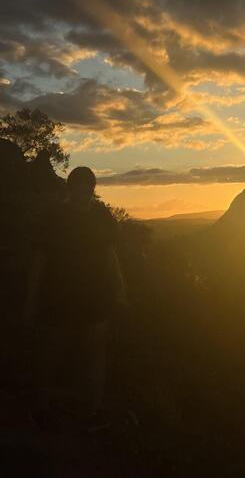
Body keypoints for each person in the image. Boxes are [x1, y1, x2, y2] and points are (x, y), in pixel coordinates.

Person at [24, 166, 127, 424]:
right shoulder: (56, 217)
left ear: (92, 189)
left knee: (93, 355)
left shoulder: (100, 216)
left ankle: (91, 410)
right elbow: (40, 258)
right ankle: (44, 406)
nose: (84, 192)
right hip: (59, 295)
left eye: (88, 187)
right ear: (71, 189)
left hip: (94, 295)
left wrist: (120, 285)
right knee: (52, 352)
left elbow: (109, 252)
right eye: (80, 187)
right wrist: (31, 297)